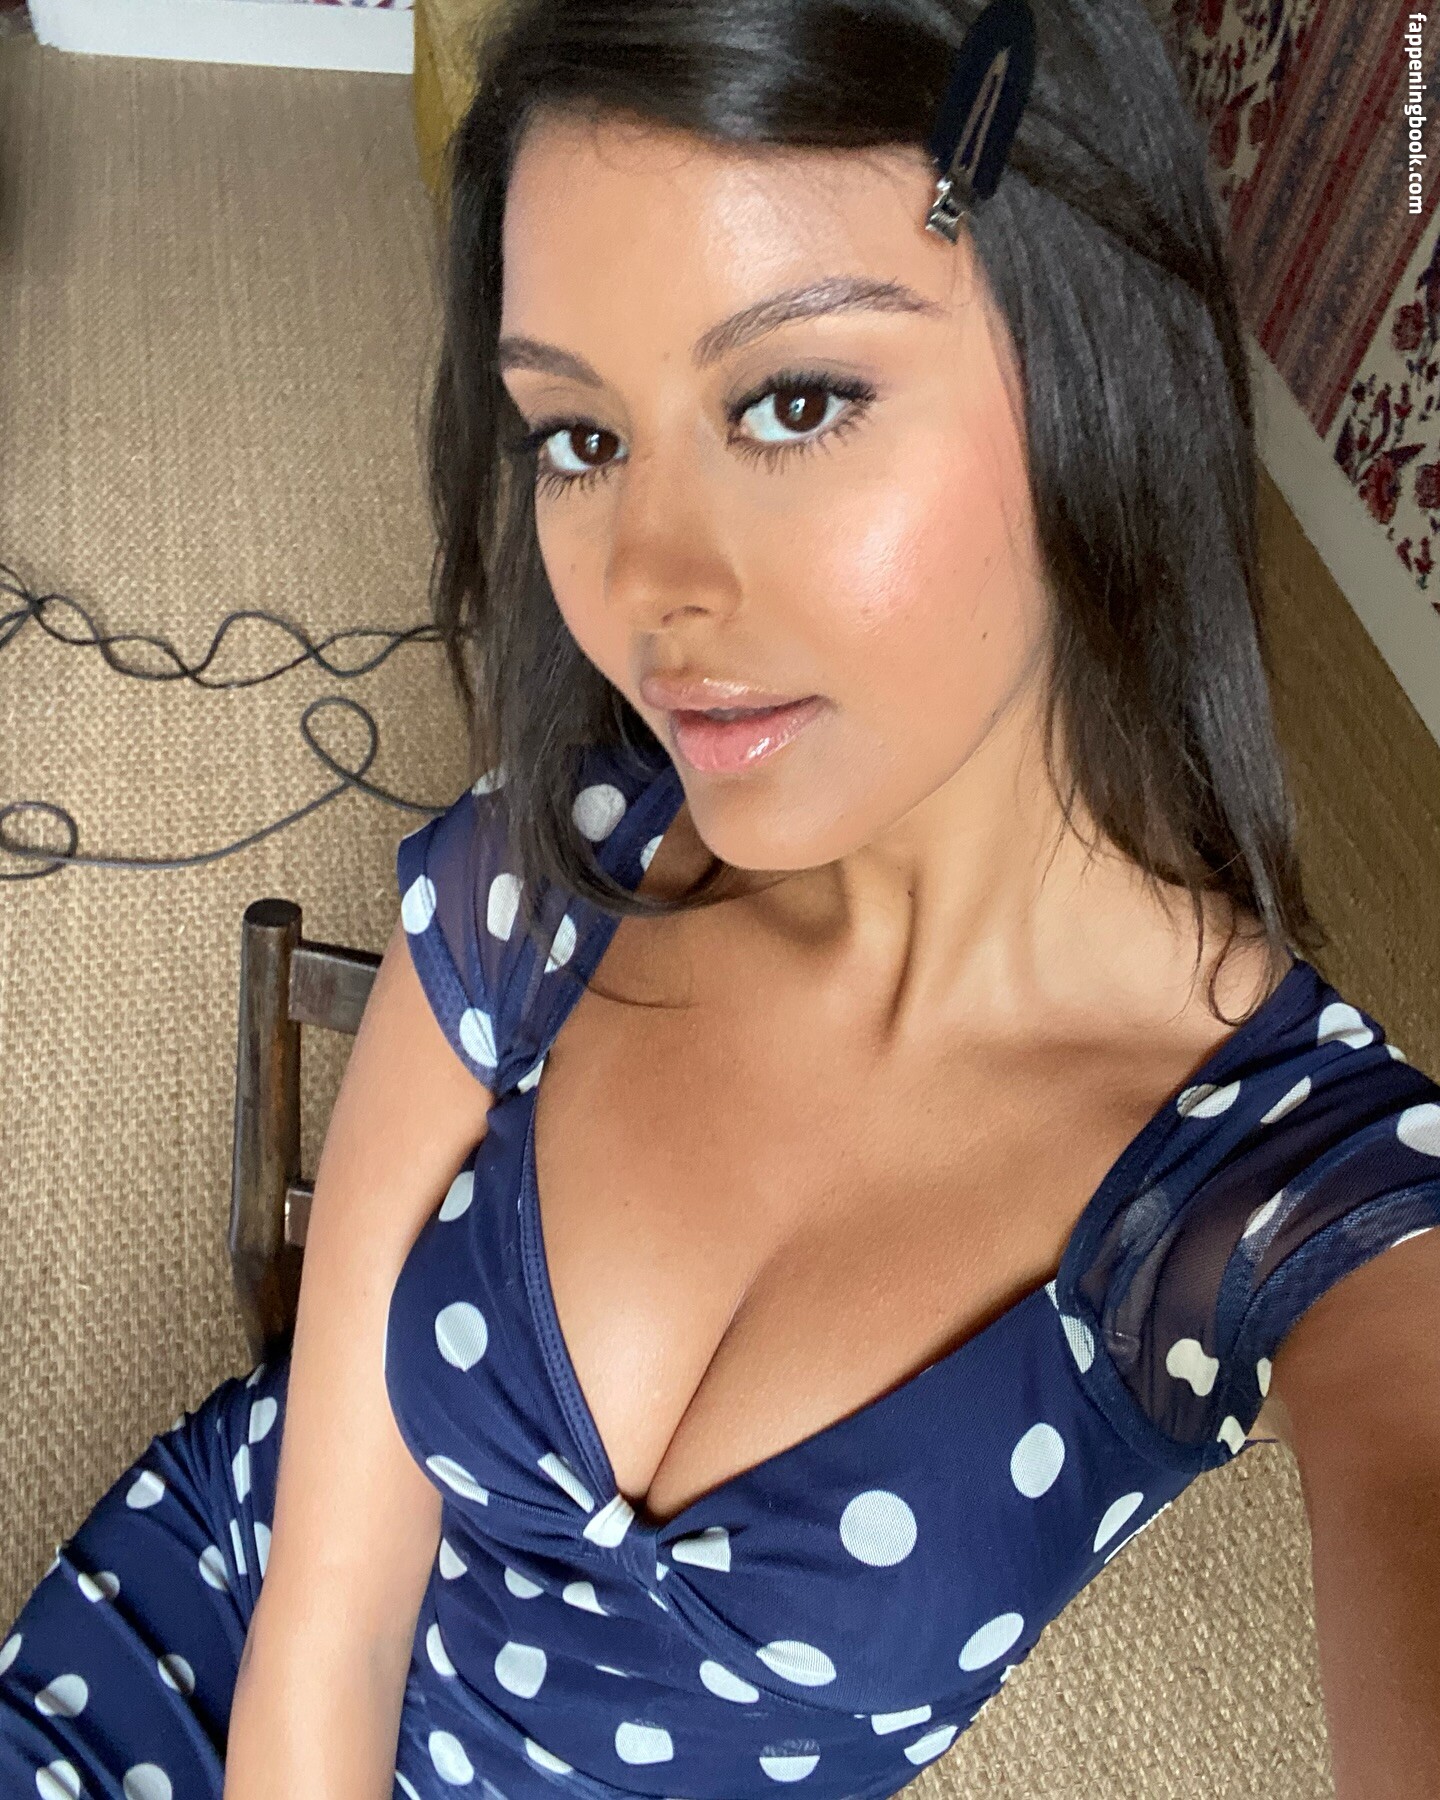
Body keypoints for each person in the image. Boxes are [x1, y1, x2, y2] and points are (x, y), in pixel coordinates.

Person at [3, 0, 1439, 1796]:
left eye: (794, 400)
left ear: (1098, 370)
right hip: (200, 1644)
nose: (648, 589)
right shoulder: (561, 859)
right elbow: (328, 1613)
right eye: (578, 438)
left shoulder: (1298, 1193)